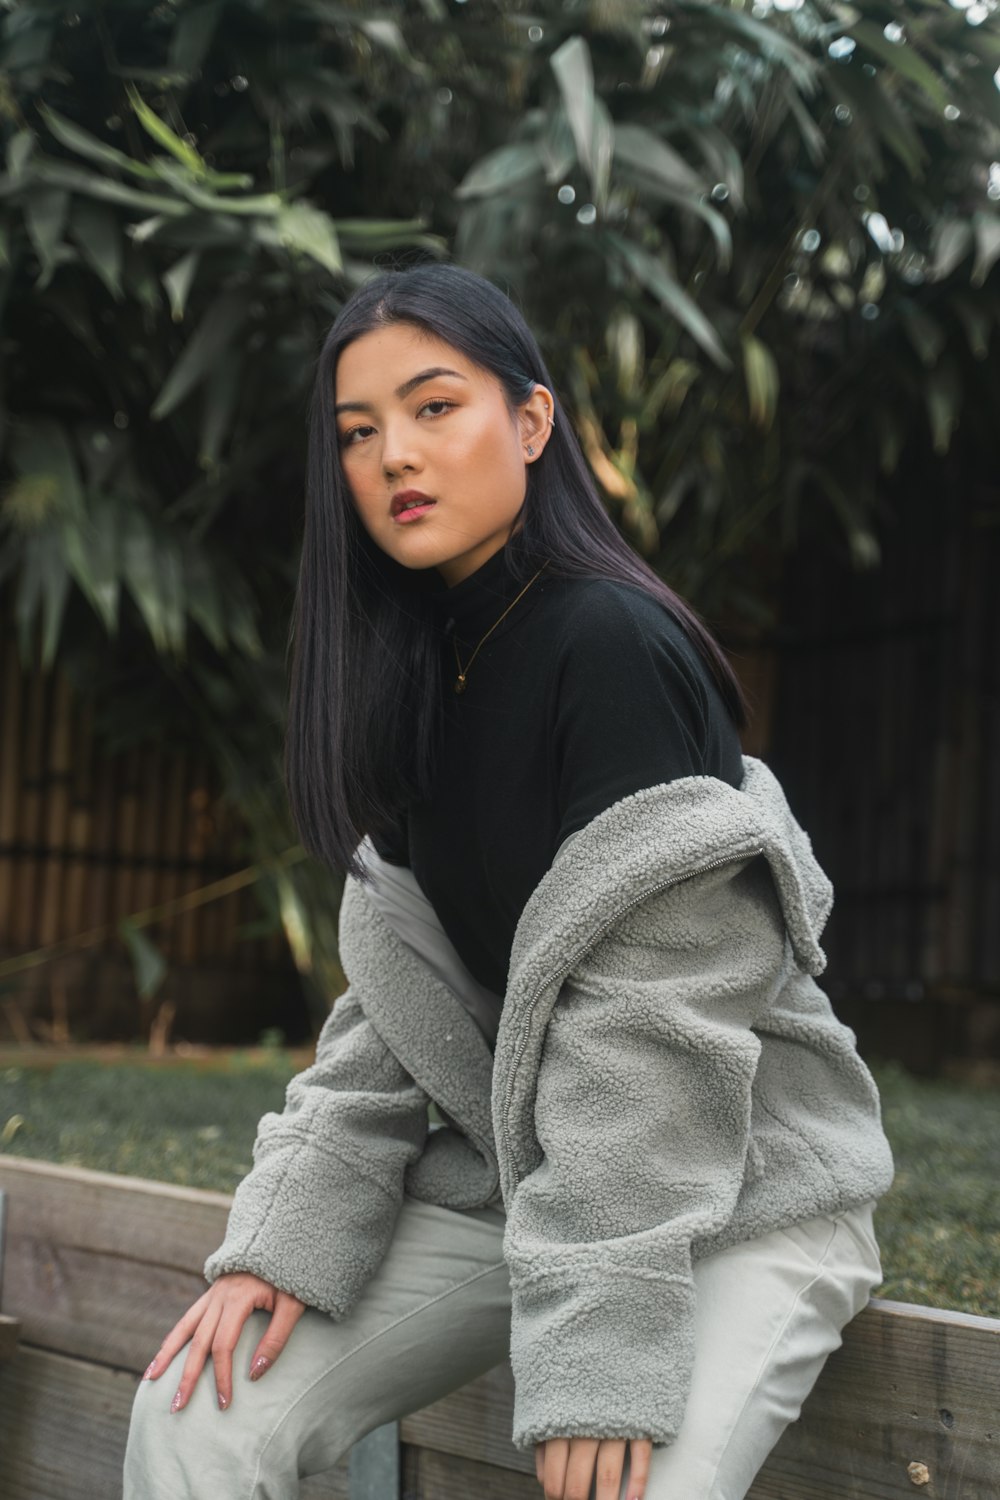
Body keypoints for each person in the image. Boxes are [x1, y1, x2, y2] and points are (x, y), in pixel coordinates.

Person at [124, 262, 895, 1500]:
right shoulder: (414, 674)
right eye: (358, 432)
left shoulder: (614, 646)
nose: (393, 457)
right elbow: (396, 1016)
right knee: (198, 1412)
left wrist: (596, 1343)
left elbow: (656, 1028)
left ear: (530, 423)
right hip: (537, 1194)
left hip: (744, 1195)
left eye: (435, 408)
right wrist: (286, 1243)